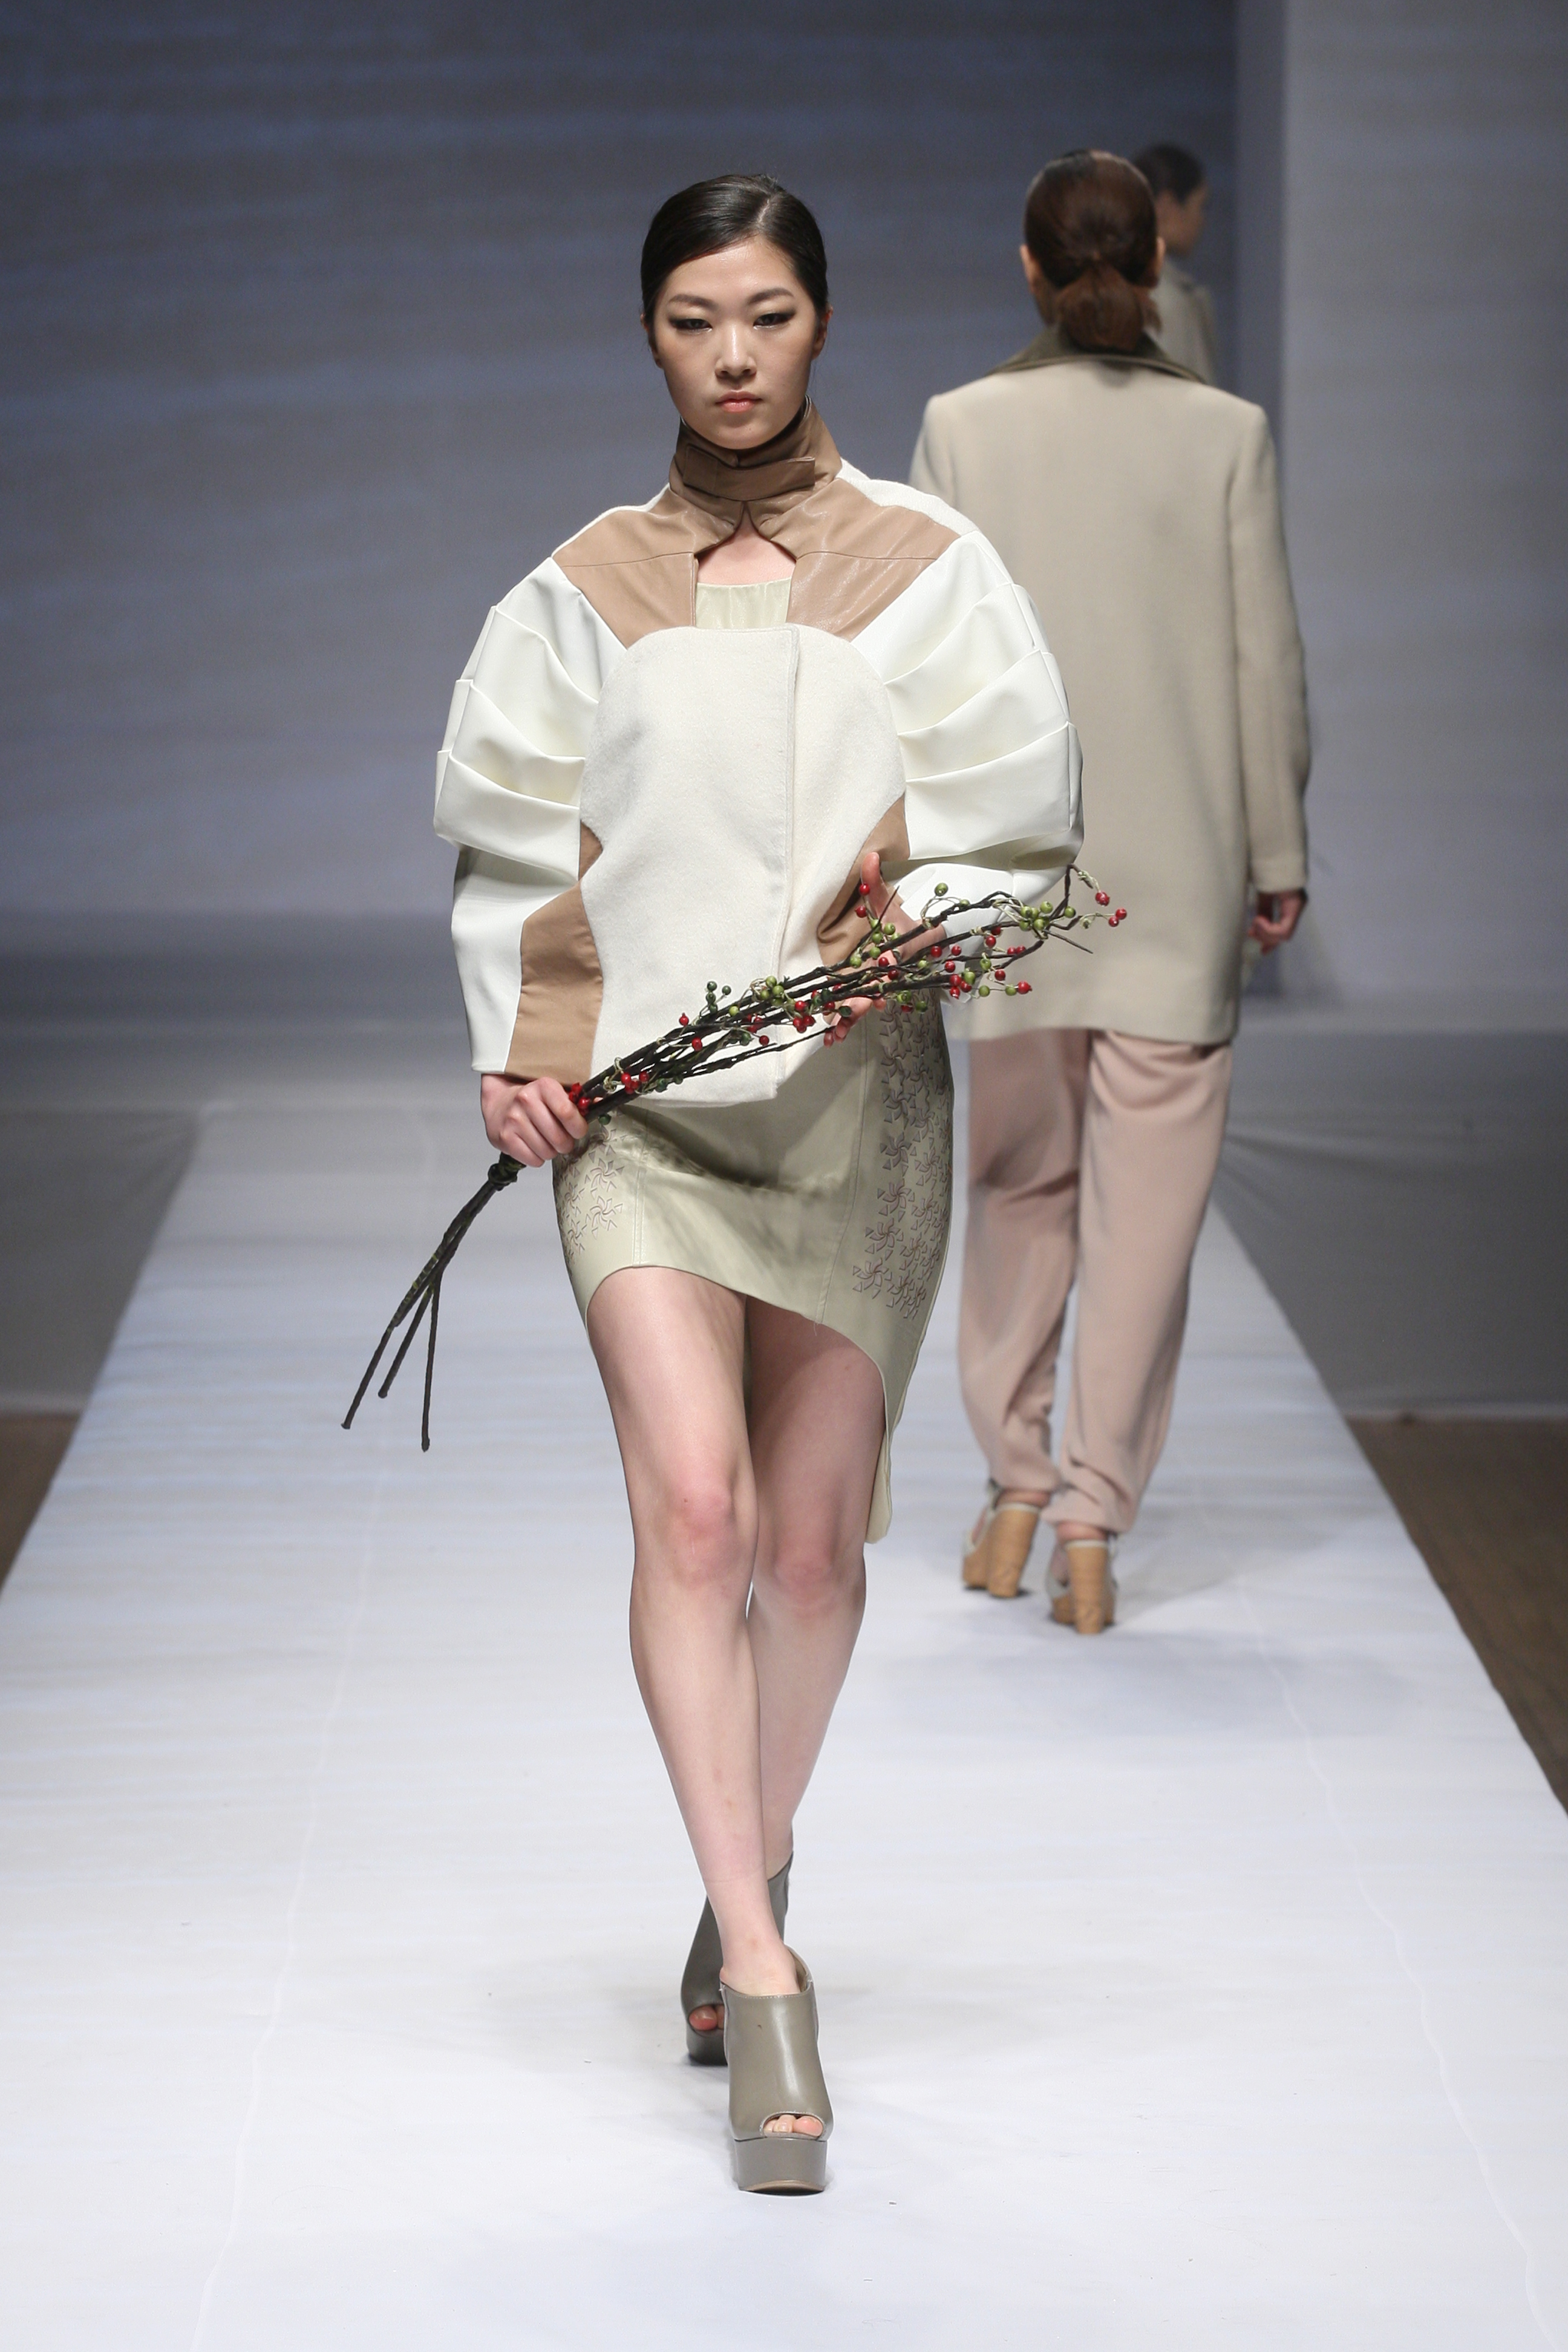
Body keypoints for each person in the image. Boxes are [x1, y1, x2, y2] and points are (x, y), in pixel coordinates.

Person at [434, 175, 1080, 2190]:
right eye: (695, 319)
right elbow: (514, 829)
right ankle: (766, 1964)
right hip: (638, 1112)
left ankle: (750, 1855)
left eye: (770, 316)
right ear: (649, 333)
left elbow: (1016, 818)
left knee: (808, 1554)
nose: (733, 356)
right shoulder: (580, 588)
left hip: (849, 1100)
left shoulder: (926, 568)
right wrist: (524, 1044)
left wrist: (918, 918)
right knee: (696, 1510)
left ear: (823, 324)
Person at [910, 149, 1307, 1633]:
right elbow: (1263, 661)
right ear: (1154, 266)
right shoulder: (1226, 435)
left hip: (1017, 882)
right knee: (1147, 1221)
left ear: (1027, 267)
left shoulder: (963, 429)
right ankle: (1090, 1517)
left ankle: (1014, 1491)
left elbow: (928, 674)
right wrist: (1278, 855)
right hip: (1181, 875)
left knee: (1019, 1188)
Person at [1134, 140, 1219, 384]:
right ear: (1168, 205)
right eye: (1200, 206)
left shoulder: (1125, 284)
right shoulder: (1165, 299)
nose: (1201, 220)